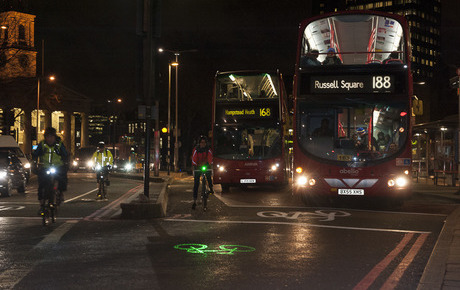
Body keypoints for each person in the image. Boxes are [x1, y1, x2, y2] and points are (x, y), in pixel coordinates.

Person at [32, 127, 69, 212]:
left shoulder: (59, 145)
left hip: (58, 167)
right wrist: (34, 164)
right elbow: (35, 154)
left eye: (51, 137)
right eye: (48, 137)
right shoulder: (42, 145)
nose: (50, 139)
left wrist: (66, 164)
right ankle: (41, 205)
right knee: (41, 186)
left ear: (54, 137)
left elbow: (65, 155)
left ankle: (60, 193)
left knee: (62, 179)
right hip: (45, 167)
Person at [191, 136, 214, 210]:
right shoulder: (196, 150)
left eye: (204, 143)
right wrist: (195, 166)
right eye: (201, 142)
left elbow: (210, 158)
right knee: (196, 183)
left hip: (206, 166)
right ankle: (194, 201)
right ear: (199, 143)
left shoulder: (208, 150)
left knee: (209, 177)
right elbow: (194, 159)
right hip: (198, 166)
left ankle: (211, 189)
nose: (203, 144)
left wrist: (209, 164)